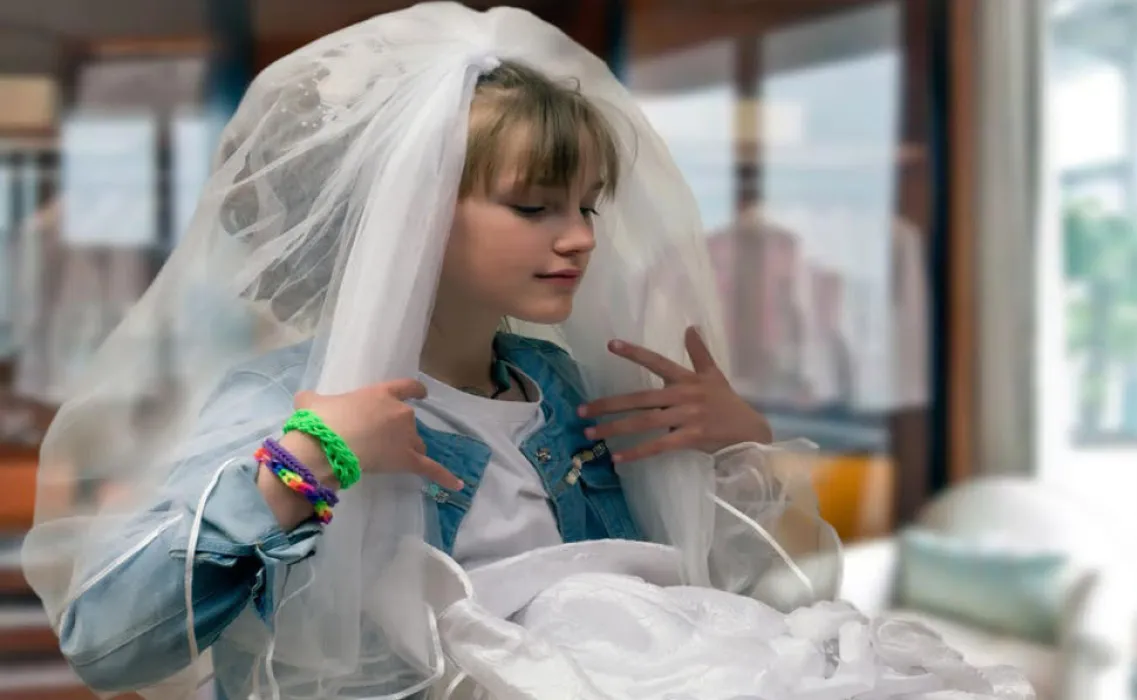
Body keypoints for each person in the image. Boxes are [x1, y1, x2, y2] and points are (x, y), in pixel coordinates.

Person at [22, 4, 1027, 700]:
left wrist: (728, 447)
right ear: (409, 216)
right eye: (535, 205)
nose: (581, 237)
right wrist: (302, 467)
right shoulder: (295, 401)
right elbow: (108, 643)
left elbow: (698, 608)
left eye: (588, 205)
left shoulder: (562, 387)